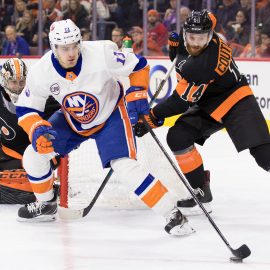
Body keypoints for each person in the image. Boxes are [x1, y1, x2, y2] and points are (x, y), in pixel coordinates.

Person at [15, 19, 194, 236]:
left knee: (124, 166)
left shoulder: (101, 53)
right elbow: (26, 108)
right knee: (32, 156)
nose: (71, 53)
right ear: (54, 47)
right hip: (73, 119)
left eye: (74, 46)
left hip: (111, 115)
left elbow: (138, 65)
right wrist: (36, 129)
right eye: (64, 48)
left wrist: (137, 92)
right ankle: (46, 204)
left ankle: (172, 214)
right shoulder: (41, 71)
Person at [135, 10, 270, 215]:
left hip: (236, 99)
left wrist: (152, 117)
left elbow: (180, 102)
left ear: (210, 36)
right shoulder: (208, 24)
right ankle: (201, 191)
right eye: (191, 37)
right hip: (209, 102)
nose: (196, 43)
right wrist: (178, 49)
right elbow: (202, 25)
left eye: (201, 39)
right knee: (178, 137)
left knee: (264, 156)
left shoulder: (202, 66)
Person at [0, 58, 60, 204]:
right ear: (4, 81)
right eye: (13, 82)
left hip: (36, 153)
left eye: (22, 82)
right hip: (8, 153)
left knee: (34, 175)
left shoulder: (38, 96)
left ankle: (43, 188)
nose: (18, 87)